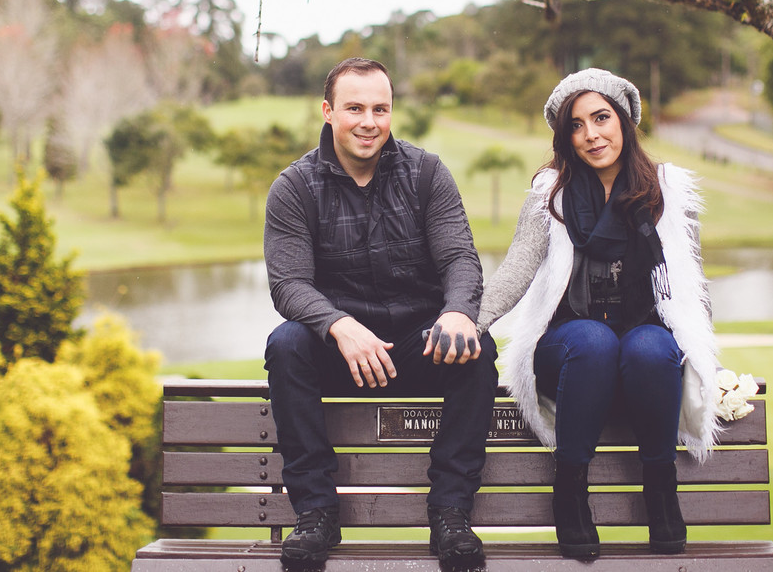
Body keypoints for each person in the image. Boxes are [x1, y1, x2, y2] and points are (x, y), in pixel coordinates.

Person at [476, 68, 721, 559]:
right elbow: (518, 268)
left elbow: (690, 287)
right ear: (565, 137)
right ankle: (570, 491)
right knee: (593, 340)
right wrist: (470, 320)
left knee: (653, 346)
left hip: (640, 352)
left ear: (624, 121)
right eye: (576, 125)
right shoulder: (553, 192)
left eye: (601, 118)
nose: (591, 135)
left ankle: (660, 487)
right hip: (569, 351)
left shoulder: (666, 192)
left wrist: (706, 358)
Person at [263, 58, 498, 566]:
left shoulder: (427, 172)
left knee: (477, 348)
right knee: (286, 344)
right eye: (354, 108)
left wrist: (458, 312)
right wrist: (338, 325)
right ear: (328, 112)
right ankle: (316, 516)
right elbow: (288, 284)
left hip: (418, 344)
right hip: (341, 352)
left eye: (380, 108)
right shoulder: (294, 187)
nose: (368, 121)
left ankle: (451, 515)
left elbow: (460, 257)